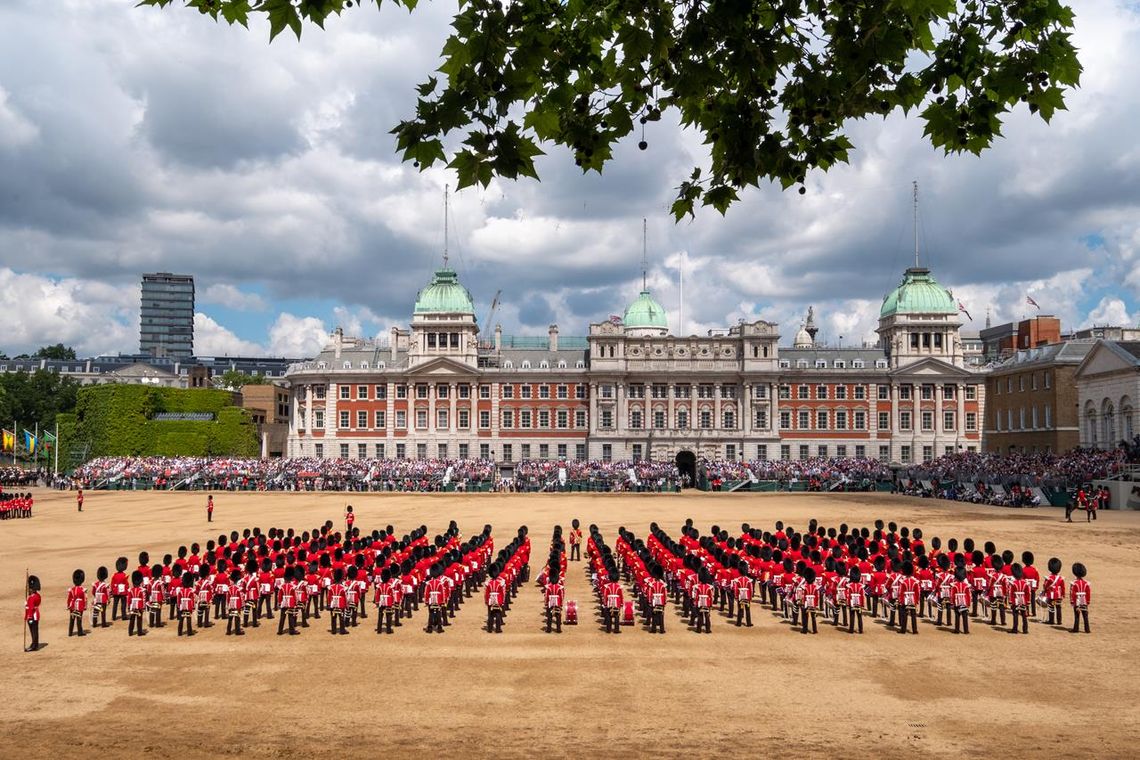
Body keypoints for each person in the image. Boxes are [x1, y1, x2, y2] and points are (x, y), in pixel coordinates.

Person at [1043, 557, 1066, 626]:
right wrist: (1063, 594)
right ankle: (1059, 621)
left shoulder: (1049, 578)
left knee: (1051, 607)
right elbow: (1063, 587)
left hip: (1052, 595)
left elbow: (1045, 586)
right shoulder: (1060, 578)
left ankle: (1051, 620)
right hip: (1058, 595)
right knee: (1058, 607)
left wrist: (1045, 592)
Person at [484, 564, 507, 634]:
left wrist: (486, 601)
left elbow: (486, 593)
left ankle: (490, 628)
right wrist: (503, 601)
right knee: (498, 613)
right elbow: (503, 593)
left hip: (491, 598)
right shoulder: (501, 582)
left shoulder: (488, 582)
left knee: (490, 614)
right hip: (498, 598)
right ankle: (498, 628)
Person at [1009, 563, 1031, 634]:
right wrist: (1028, 601)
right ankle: (1025, 629)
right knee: (1024, 615)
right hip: (1023, 600)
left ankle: (1015, 629)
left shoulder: (1013, 583)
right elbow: (1028, 593)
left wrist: (1011, 601)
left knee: (1015, 615)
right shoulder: (1025, 583)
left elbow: (1011, 593)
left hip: (1015, 600)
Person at [1070, 562, 1091, 634]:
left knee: (1077, 615)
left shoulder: (1074, 583)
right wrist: (1088, 601)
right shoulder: (1086, 583)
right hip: (1084, 600)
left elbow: (1072, 593)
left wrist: (1072, 602)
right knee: (1085, 615)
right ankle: (1087, 629)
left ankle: (1076, 628)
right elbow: (1088, 592)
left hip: (1077, 600)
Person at [602, 570, 625, 634]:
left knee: (609, 616)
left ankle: (608, 629)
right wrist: (621, 603)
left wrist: (605, 603)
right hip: (617, 602)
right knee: (617, 616)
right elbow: (621, 596)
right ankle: (616, 629)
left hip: (609, 602)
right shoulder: (619, 586)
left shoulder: (607, 586)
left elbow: (605, 595)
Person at [951, 567, 972, 634]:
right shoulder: (966, 585)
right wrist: (968, 603)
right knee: (965, 615)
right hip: (964, 601)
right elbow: (969, 595)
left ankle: (957, 630)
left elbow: (952, 595)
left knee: (957, 615)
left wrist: (952, 603)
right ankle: (966, 630)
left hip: (957, 601)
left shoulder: (954, 585)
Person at [126, 571, 147, 637]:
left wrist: (129, 607)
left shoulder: (130, 590)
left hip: (132, 606)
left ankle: (130, 632)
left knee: (132, 619)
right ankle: (139, 632)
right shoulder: (142, 590)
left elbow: (129, 599)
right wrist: (143, 607)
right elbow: (143, 599)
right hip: (139, 606)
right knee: (139, 619)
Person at [25, 575, 42, 652]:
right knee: (35, 631)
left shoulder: (32, 597)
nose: (29, 590)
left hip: (32, 615)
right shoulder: (37, 596)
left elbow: (31, 608)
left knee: (33, 631)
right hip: (36, 614)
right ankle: (35, 644)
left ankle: (34, 645)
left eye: (30, 588)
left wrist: (29, 617)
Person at [846, 568, 865, 634]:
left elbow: (848, 595)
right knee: (859, 616)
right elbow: (862, 596)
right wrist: (862, 604)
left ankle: (851, 629)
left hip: (852, 602)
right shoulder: (861, 586)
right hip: (859, 602)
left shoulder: (849, 586)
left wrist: (848, 603)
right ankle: (861, 629)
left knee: (852, 615)